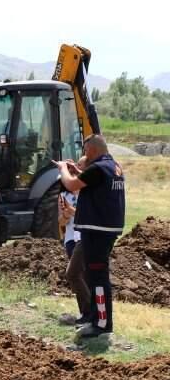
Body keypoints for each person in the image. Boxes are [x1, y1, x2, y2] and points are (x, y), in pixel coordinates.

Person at [55, 134, 126, 339]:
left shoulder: (98, 168)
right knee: (94, 277)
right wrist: (78, 172)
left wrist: (62, 169)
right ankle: (96, 318)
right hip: (105, 229)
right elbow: (92, 183)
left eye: (85, 151)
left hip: (97, 230)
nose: (84, 155)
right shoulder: (112, 166)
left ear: (93, 150)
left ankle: (102, 323)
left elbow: (71, 185)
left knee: (98, 278)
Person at [59, 156, 92, 326]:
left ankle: (90, 313)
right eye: (73, 166)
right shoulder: (64, 194)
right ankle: (84, 313)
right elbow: (62, 223)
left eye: (79, 166)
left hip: (86, 237)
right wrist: (65, 215)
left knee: (80, 274)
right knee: (77, 275)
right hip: (71, 238)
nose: (74, 169)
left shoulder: (90, 190)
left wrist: (75, 211)